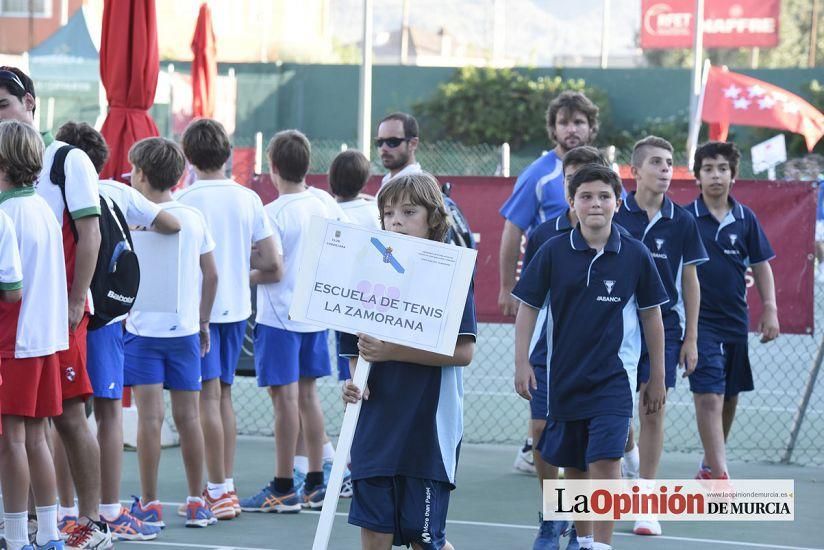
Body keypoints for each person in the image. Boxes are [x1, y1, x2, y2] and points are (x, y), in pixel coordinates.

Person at [513, 164, 667, 550]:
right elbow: (528, 307)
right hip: (565, 378)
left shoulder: (635, 253)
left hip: (613, 380)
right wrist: (522, 362)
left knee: (604, 461)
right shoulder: (552, 250)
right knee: (576, 465)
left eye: (604, 196)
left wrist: (659, 374)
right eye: (586, 196)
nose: (595, 203)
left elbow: (652, 316)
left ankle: (601, 544)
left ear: (618, 202)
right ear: (571, 203)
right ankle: (582, 540)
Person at [51, 121, 180, 541]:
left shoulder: (48, 191)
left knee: (63, 414)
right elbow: (170, 223)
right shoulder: (117, 192)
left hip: (63, 312)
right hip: (102, 316)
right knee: (107, 414)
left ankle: (63, 510)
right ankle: (106, 509)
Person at [0, 66, 112, 549]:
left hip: (52, 316)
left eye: (2, 104)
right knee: (29, 429)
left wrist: (72, 302)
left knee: (65, 416)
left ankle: (92, 522)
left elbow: (91, 235)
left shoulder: (67, 160)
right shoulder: (8, 170)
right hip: (25, 320)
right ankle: (32, 523)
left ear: (30, 103)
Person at [341, 172, 477, 550]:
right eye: (388, 213)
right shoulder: (364, 273)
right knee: (376, 532)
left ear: (433, 218)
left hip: (428, 430)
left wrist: (391, 351)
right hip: (377, 426)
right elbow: (353, 350)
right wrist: (355, 381)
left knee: (425, 538)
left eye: (408, 211)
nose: (395, 220)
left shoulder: (449, 273)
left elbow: (464, 351)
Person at [176, 118, 280, 519]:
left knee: (207, 398)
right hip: (236, 309)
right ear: (228, 154)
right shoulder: (247, 199)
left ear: (188, 156)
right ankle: (225, 485)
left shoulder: (184, 200)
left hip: (199, 312)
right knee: (224, 396)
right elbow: (270, 260)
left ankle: (218, 490)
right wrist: (241, 269)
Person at [499, 91, 600, 473]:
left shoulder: (604, 174)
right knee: (545, 391)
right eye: (564, 122)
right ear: (553, 128)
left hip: (597, 310)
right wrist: (508, 286)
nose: (571, 129)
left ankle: (621, 458)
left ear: (590, 127)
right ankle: (542, 466)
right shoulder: (539, 175)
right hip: (552, 301)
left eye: (578, 122)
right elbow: (513, 230)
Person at [612, 136, 708, 537]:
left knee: (654, 406)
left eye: (669, 162)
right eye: (656, 162)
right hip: (614, 323)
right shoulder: (616, 213)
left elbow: (690, 280)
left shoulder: (682, 221)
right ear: (636, 171)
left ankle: (646, 501)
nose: (666, 169)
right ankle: (626, 455)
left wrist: (691, 338)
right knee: (616, 410)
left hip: (663, 327)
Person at [124, 137, 219, 529]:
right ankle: (198, 502)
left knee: (150, 419)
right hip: (182, 332)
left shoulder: (130, 215)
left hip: (142, 331)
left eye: (132, 170)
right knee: (188, 418)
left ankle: (149, 503)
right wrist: (202, 321)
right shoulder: (193, 216)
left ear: (142, 175)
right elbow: (211, 274)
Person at [518, 145, 609, 550]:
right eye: (572, 180)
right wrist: (523, 358)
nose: (580, 188)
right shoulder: (544, 234)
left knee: (592, 446)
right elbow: (531, 300)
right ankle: (552, 515)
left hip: (599, 360)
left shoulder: (615, 235)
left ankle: (581, 526)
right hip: (548, 351)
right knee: (542, 431)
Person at [240, 130, 331, 513]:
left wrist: (241, 273)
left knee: (284, 402)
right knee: (308, 397)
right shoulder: (324, 203)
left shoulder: (272, 213)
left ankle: (283, 485)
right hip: (314, 314)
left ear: (273, 168)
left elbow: (272, 270)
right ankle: (314, 480)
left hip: (280, 317)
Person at [687, 141, 779, 480]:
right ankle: (721, 473)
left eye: (722, 169)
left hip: (735, 321)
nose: (715, 175)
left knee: (729, 397)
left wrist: (769, 308)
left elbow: (762, 264)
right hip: (698, 324)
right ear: (697, 176)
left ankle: (710, 464)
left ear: (733, 175)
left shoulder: (745, 218)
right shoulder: (685, 218)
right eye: (708, 169)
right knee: (708, 394)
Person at [0, 120, 64, 550]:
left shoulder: (5, 214)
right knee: (37, 438)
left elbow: (10, 289)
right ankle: (51, 534)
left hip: (15, 342)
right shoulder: (41, 208)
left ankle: (18, 537)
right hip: (44, 338)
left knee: (11, 441)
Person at [376, 112, 475, 248]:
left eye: (393, 142)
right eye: (380, 142)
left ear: (413, 143)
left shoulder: (428, 191)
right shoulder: (385, 186)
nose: (384, 148)